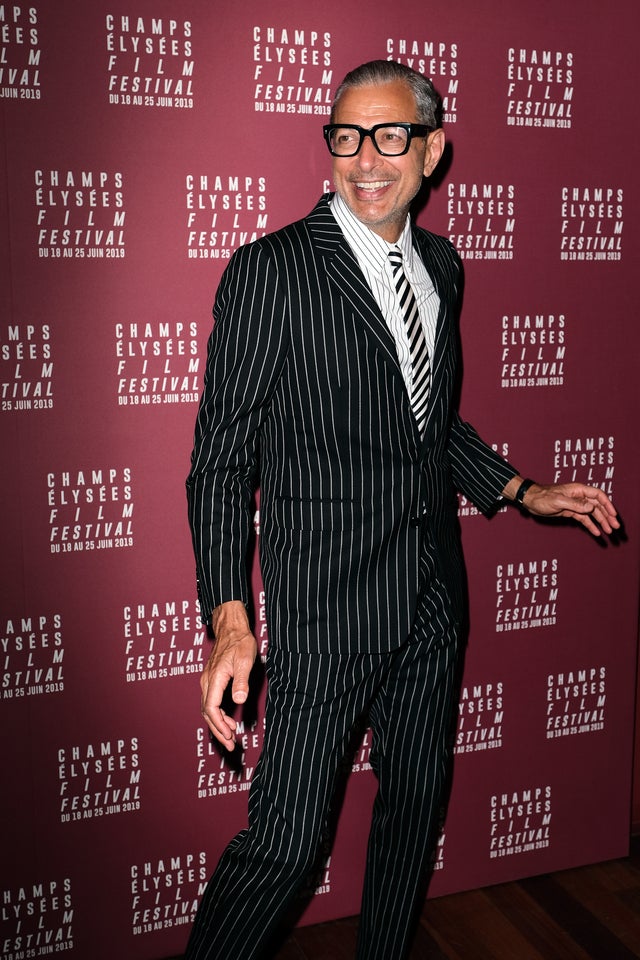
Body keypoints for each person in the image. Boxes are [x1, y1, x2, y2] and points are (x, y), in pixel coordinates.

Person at [184, 60, 619, 960]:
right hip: (329, 608)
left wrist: (523, 490)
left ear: (432, 150)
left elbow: (428, 424)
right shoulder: (274, 272)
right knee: (285, 846)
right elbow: (220, 463)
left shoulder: (443, 267)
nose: (365, 159)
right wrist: (229, 618)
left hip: (431, 599)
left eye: (389, 136)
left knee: (414, 810)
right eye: (346, 137)